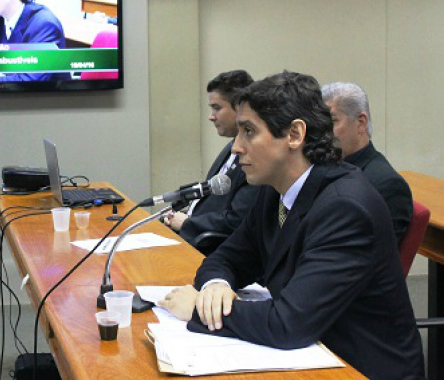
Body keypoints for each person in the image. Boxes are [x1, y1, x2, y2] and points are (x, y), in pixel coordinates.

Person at [159, 72, 424, 380]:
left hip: (360, 367)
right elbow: (226, 258)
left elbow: (289, 324)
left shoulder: (345, 207)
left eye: (249, 132)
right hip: (313, 355)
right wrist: (215, 287)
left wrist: (197, 309)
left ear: (295, 135)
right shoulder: (274, 191)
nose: (236, 147)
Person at [163, 70, 260, 254]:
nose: (211, 116)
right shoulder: (230, 147)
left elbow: (237, 219)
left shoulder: (255, 158)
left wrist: (188, 223)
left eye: (217, 107)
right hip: (190, 235)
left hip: (211, 247)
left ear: (240, 108)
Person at [322, 82, 412, 245]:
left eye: (332, 121)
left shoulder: (386, 185)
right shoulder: (327, 168)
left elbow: (374, 257)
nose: (324, 132)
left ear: (361, 122)